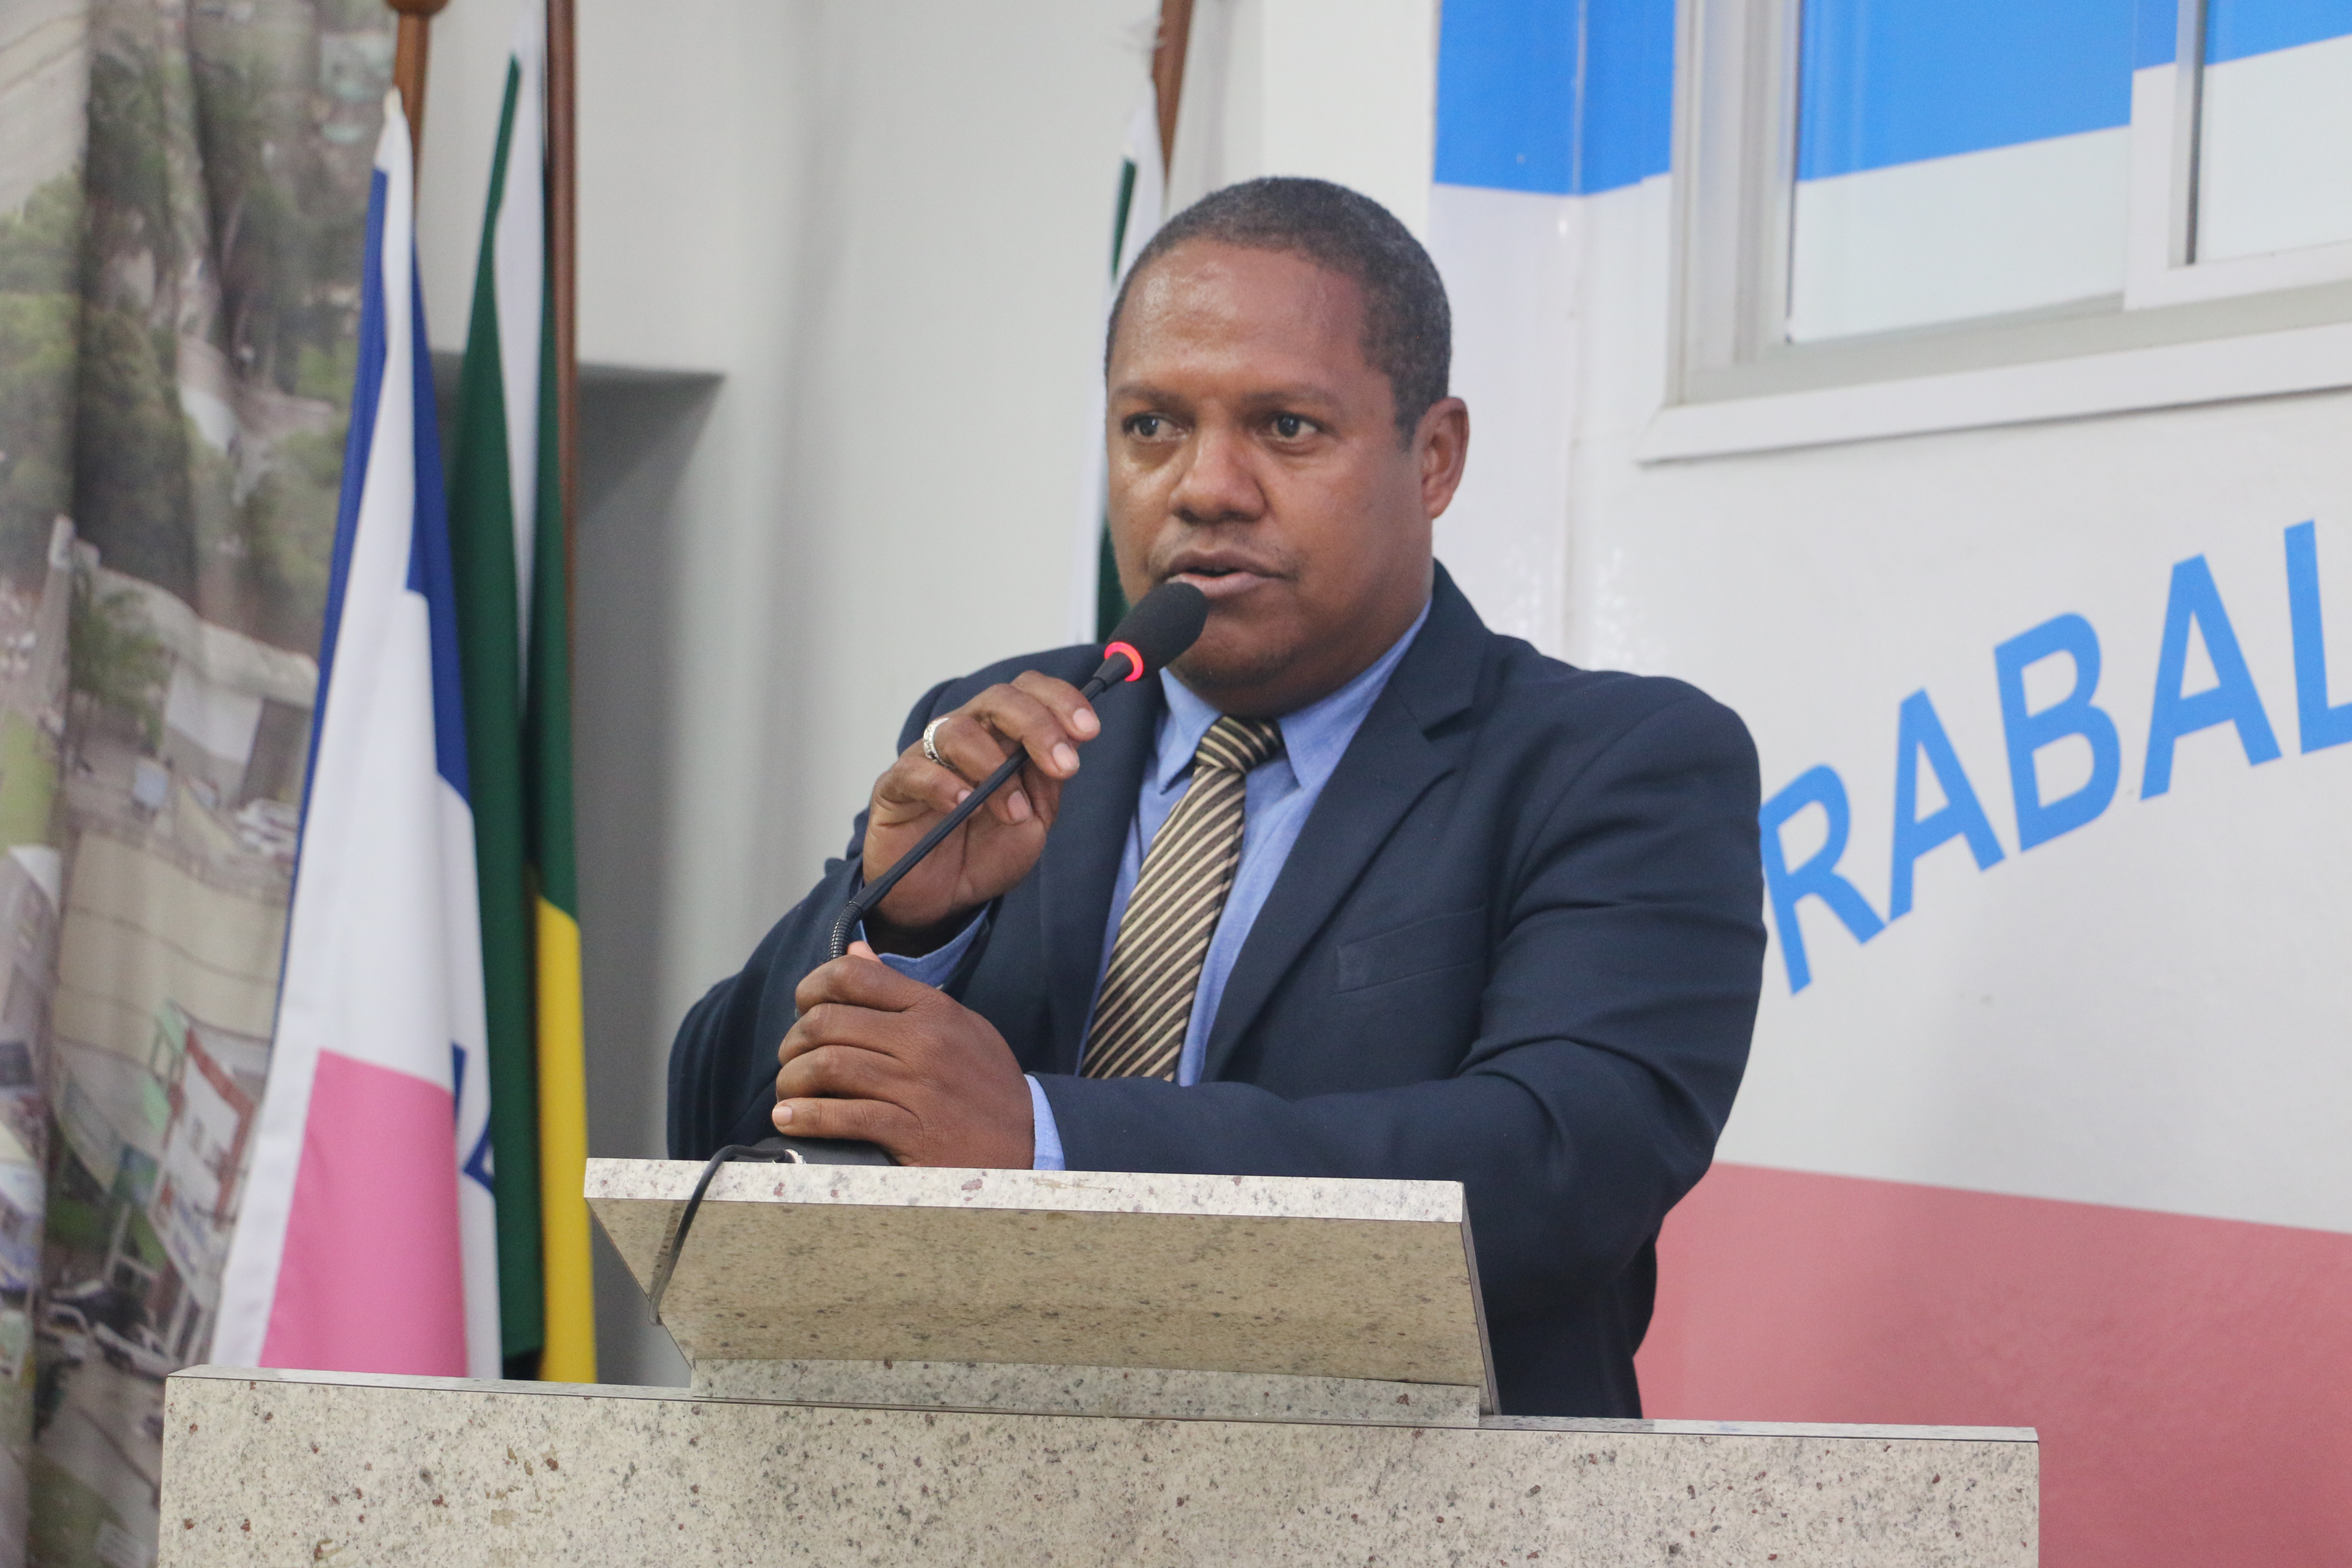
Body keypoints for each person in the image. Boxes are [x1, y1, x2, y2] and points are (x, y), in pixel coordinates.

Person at [668, 177, 1764, 1417]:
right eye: (1152, 426)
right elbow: (710, 1126)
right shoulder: (1011, 730)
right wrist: (906, 920)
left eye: (1286, 427)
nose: (1205, 487)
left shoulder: (1614, 762)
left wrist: (1044, 1142)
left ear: (1435, 457)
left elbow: (1565, 1165)